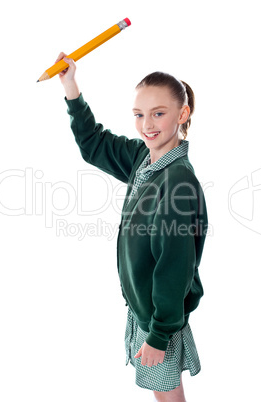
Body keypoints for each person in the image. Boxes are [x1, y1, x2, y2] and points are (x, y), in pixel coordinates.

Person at [55, 51, 208, 402]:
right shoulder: (145, 158)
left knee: (168, 394)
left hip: (160, 316)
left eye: (158, 113)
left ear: (182, 114)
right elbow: (94, 144)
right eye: (139, 115)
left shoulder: (177, 182)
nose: (147, 125)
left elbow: (175, 265)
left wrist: (158, 334)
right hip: (146, 308)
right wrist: (70, 86)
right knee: (162, 389)